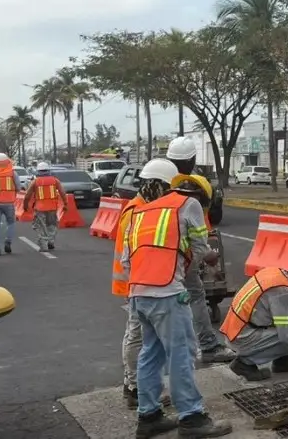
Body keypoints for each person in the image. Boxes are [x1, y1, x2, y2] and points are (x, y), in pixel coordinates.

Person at [121, 158, 232, 438]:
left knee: (151, 353)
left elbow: (126, 261)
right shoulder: (186, 204)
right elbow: (200, 245)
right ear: (174, 183)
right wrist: (186, 272)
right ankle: (192, 418)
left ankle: (149, 416)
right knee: (181, 354)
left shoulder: (139, 213)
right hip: (168, 293)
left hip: (138, 294)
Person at [166, 136, 236, 365]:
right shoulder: (192, 195)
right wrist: (208, 255)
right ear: (193, 159)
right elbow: (197, 240)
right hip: (183, 258)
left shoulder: (161, 184)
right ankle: (207, 344)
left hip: (156, 257)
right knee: (196, 295)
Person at [114, 159, 177, 410]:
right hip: (138, 283)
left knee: (142, 337)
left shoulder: (144, 206)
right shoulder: (136, 210)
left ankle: (139, 387)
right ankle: (135, 388)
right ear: (156, 185)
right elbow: (132, 254)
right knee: (138, 337)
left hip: (141, 282)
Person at [222, 250, 288, 381]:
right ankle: (244, 363)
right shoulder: (281, 291)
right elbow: (286, 336)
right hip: (242, 338)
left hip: (237, 331)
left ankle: (284, 360)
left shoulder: (275, 273)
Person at [21, 161, 65, 254]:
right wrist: (65, 204)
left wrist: (25, 206)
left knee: (41, 226)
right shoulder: (55, 180)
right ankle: (51, 241)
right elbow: (62, 193)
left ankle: (44, 245)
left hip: (40, 209)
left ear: (38, 171)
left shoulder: (35, 182)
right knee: (52, 225)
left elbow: (27, 195)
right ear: (48, 170)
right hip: (52, 207)